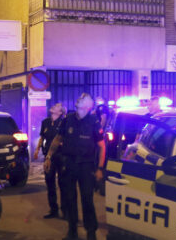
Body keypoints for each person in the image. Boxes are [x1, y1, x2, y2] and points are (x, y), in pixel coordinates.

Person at [45, 93, 105, 240]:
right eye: (79, 98)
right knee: (70, 198)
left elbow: (102, 146)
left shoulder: (93, 121)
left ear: (88, 105)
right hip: (69, 164)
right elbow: (58, 138)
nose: (78, 99)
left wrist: (100, 168)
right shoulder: (68, 119)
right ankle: (72, 231)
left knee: (87, 199)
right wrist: (48, 156)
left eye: (82, 98)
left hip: (86, 165)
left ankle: (91, 232)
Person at [34, 102, 67, 219]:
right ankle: (53, 209)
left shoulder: (64, 122)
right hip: (48, 157)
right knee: (50, 182)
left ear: (61, 112)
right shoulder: (46, 122)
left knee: (63, 183)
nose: (53, 106)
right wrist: (37, 150)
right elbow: (42, 137)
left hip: (61, 156)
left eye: (57, 106)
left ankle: (65, 211)